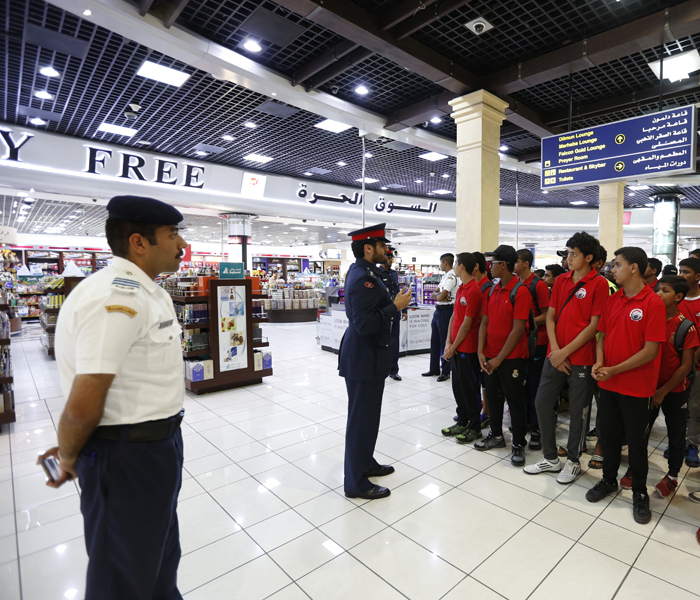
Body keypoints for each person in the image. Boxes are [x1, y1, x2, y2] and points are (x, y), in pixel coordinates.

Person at [38, 195, 189, 600]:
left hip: (154, 448)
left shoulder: (148, 291)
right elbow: (84, 401)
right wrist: (68, 455)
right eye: (172, 234)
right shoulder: (115, 298)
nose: (182, 245)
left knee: (158, 558)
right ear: (139, 242)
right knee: (122, 575)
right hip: (124, 457)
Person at [589, 247, 665, 525]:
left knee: (636, 443)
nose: (612, 269)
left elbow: (650, 351)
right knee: (608, 436)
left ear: (634, 267)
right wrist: (600, 361)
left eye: (617, 264)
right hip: (608, 383)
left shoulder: (652, 302)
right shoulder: (614, 299)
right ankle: (608, 480)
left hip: (636, 387)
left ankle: (640, 492)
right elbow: (602, 335)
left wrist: (615, 369)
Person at [524, 232, 608, 484]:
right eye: (568, 254)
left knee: (579, 412)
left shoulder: (599, 284)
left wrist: (565, 351)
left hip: (581, 358)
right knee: (542, 403)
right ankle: (550, 458)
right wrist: (556, 350)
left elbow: (594, 325)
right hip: (555, 355)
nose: (569, 259)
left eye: (574, 254)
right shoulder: (561, 280)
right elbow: (551, 316)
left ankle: (573, 460)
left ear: (589, 258)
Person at [339, 223, 412, 500]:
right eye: (382, 245)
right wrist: (395, 307)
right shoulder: (363, 277)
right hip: (363, 358)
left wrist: (392, 304)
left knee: (368, 419)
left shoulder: (368, 272)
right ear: (368, 248)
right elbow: (364, 323)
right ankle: (356, 483)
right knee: (361, 421)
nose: (386, 249)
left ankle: (365, 463)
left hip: (370, 356)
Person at [620, 275, 697, 498]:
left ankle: (672, 475)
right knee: (640, 432)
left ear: (678, 297)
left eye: (665, 290)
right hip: (647, 388)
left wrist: (663, 391)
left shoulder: (685, 327)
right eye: (657, 289)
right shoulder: (648, 319)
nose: (658, 294)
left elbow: (686, 366)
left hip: (674, 391)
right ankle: (636, 468)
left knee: (675, 434)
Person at [476, 244, 532, 466]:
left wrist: (499, 358)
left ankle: (518, 442)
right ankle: (496, 435)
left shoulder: (521, 291)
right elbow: (484, 322)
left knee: (516, 401)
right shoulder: (492, 290)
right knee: (494, 397)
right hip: (490, 356)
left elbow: (518, 329)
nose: (489, 267)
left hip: (512, 358)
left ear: (505, 265)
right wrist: (481, 351)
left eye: (493, 263)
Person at [441, 252, 483, 443]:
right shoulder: (461, 289)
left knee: (469, 388)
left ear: (462, 266)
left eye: (456, 263)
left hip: (467, 348)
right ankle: (463, 421)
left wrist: (454, 345)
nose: (454, 266)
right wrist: (448, 342)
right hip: (456, 346)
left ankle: (474, 427)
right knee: (457, 386)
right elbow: (454, 317)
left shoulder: (474, 291)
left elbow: (467, 324)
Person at [514, 248, 551, 450]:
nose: (513, 265)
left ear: (526, 264)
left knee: (535, 386)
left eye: (516, 261)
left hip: (538, 342)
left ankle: (538, 428)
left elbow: (547, 314)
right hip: (521, 342)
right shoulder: (516, 284)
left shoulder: (539, 285)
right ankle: (527, 420)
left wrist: (525, 323)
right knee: (522, 384)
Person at [679, 257, 700, 468]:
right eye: (680, 271)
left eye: (686, 272)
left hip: (697, 364)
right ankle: (677, 442)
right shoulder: (676, 298)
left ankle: (693, 444)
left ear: (697, 277)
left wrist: (693, 356)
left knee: (695, 405)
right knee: (678, 405)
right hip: (676, 364)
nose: (681, 275)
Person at [423, 253, 458, 381]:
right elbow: (436, 294)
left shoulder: (452, 277)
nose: (440, 265)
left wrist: (439, 297)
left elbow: (440, 296)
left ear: (445, 262)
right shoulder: (445, 277)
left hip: (446, 311)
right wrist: (438, 296)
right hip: (438, 311)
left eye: (441, 262)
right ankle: (434, 368)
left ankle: (446, 371)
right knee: (435, 342)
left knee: (444, 342)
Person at [378, 246, 407, 381]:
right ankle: (382, 368)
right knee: (382, 343)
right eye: (388, 257)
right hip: (383, 315)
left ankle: (394, 370)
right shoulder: (377, 273)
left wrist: (404, 310)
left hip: (395, 314)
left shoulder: (394, 274)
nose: (390, 260)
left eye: (392, 258)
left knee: (394, 343)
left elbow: (398, 293)